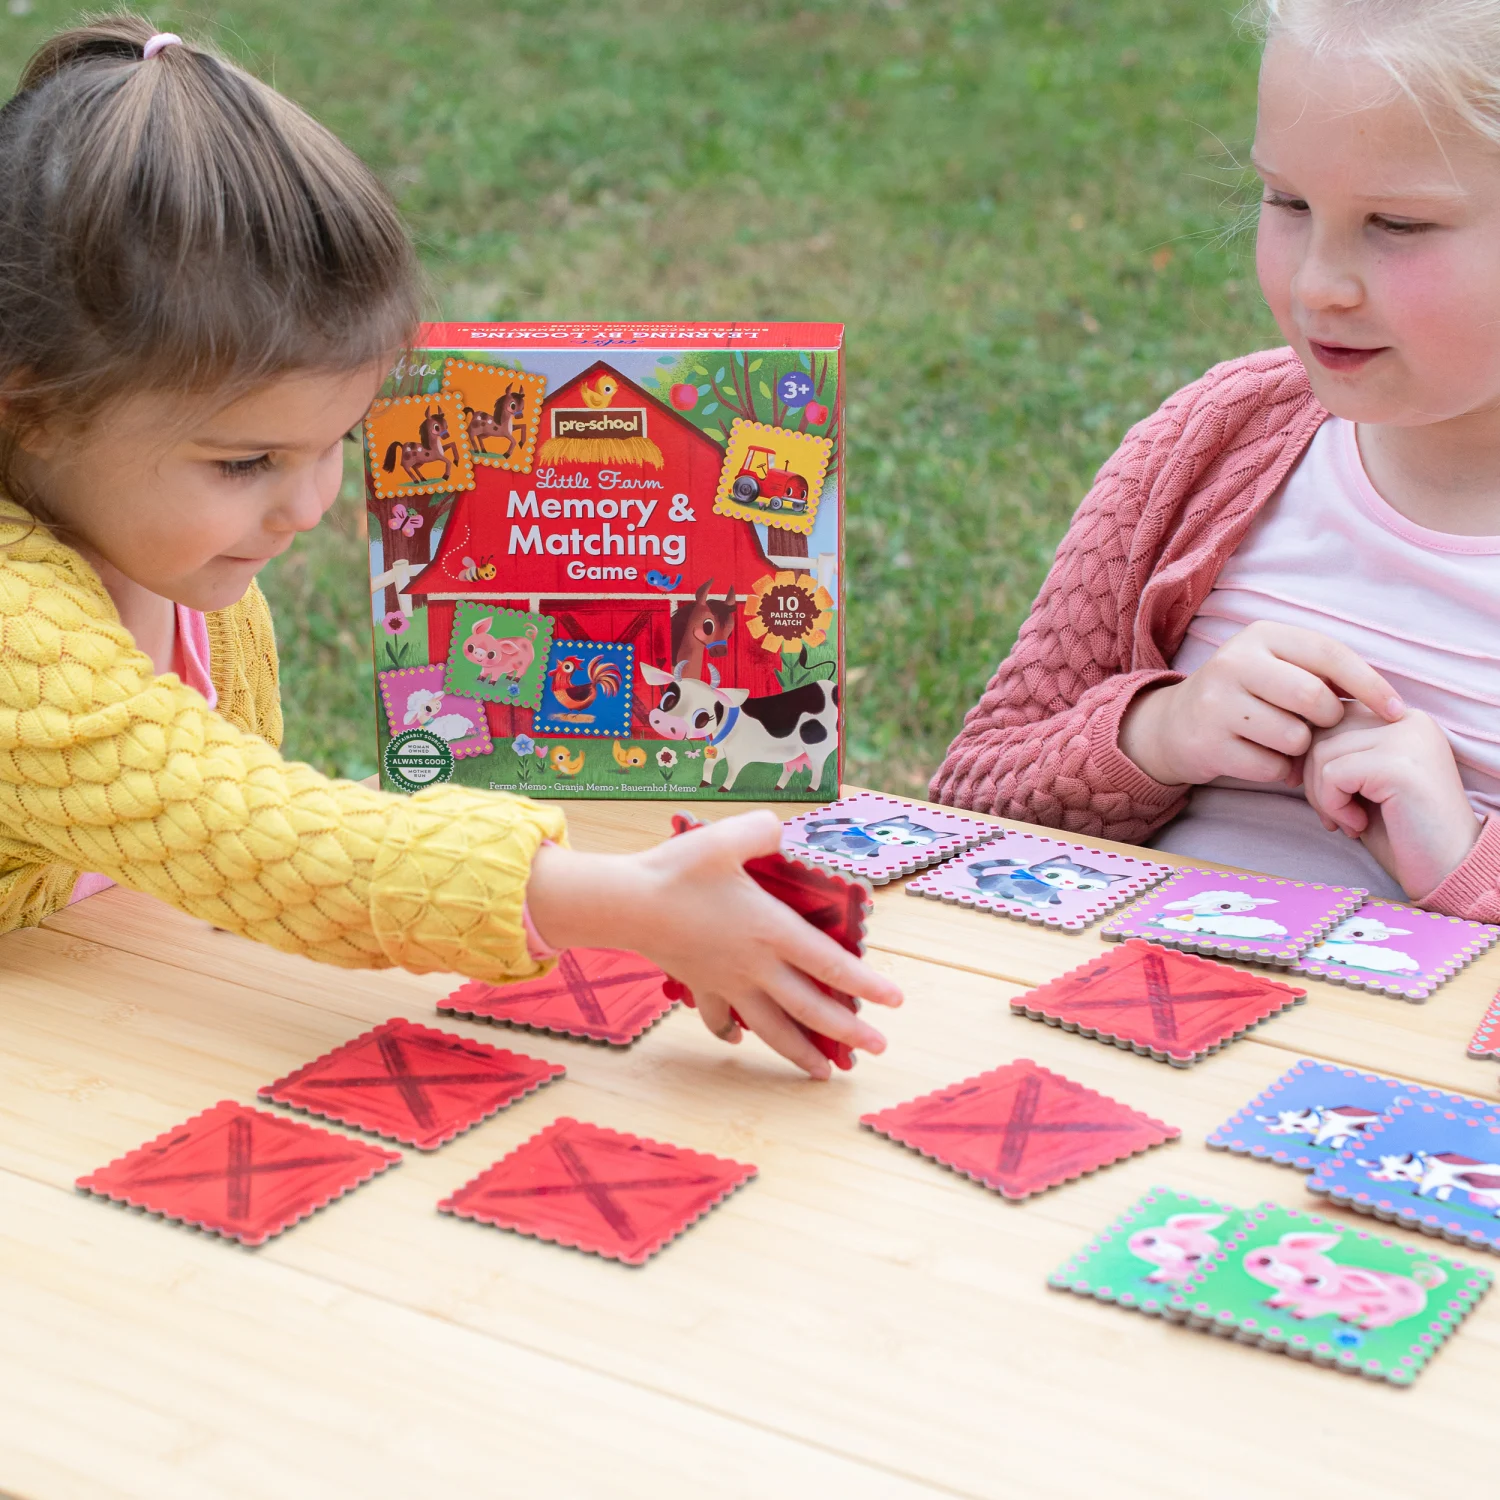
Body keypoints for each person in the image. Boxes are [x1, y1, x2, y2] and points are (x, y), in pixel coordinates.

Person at [0, 16, 899, 1079]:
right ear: (32, 412)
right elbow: (252, 833)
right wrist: (625, 905)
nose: (311, 505)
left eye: (339, 442)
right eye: (246, 462)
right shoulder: (19, 632)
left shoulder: (174, 560)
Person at [933, 0, 1500, 923]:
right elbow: (966, 807)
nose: (1319, 283)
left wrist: (1464, 860)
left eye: (1396, 223)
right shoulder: (1213, 441)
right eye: (1289, 203)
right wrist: (1158, 733)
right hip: (1111, 999)